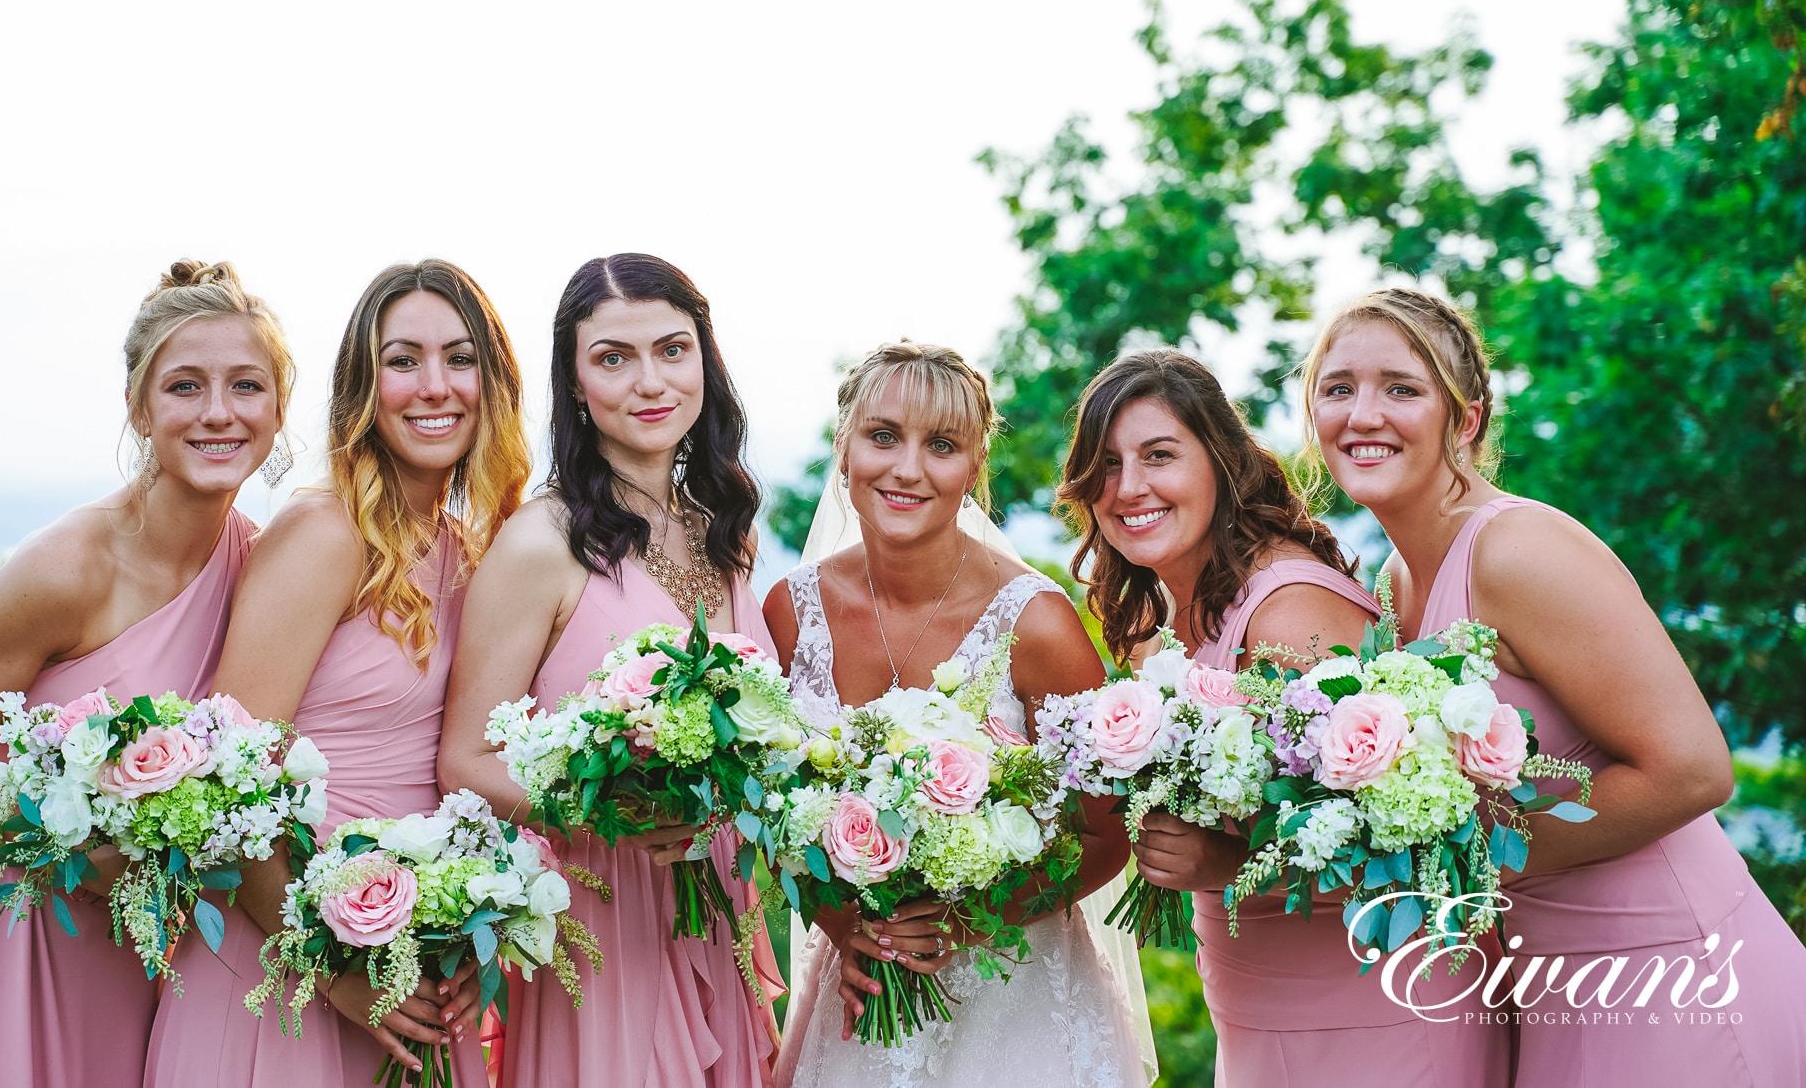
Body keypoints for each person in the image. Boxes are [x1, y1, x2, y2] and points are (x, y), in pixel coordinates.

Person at [1303, 286, 1806, 1087]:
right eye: (1339, 388)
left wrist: (1466, 862)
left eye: (1401, 388)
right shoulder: (1394, 585)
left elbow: (1695, 768)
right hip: (1558, 996)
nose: (1363, 414)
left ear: (1463, 420)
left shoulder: (1518, 551)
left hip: (1678, 981)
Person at [0, 260, 292, 1088]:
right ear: (141, 407)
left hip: (156, 971)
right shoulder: (68, 567)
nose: (218, 412)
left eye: (246, 385)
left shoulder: (266, 569)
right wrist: (76, 851)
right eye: (185, 386)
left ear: (278, 409)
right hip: (20, 955)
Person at [1061, 349, 1507, 1087]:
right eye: (1105, 464)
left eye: (1159, 455)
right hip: (1259, 1000)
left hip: (1376, 1006)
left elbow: (1423, 850)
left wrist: (1230, 864)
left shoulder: (1289, 611)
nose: (1128, 487)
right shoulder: (1156, 616)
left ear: (1221, 462)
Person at [144, 259, 530, 1086]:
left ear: (493, 382)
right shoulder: (326, 532)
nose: (435, 386)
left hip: (418, 965)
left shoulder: (469, 552)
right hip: (288, 975)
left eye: (460, 358)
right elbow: (228, 787)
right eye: (403, 360)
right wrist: (339, 977)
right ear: (364, 386)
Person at [439, 252, 780, 1088]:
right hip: (599, 919)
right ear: (576, 382)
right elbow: (464, 760)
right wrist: (612, 815)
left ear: (706, 359)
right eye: (613, 358)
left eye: (672, 349)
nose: (649, 381)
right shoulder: (539, 543)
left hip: (716, 911)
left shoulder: (722, 532)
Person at [769, 341, 1147, 1088]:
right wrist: (848, 927)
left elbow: (1107, 834)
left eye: (941, 445)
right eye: (883, 436)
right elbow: (774, 814)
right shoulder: (789, 612)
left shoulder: (1035, 624)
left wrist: (967, 920)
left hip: (1015, 1005)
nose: (907, 469)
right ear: (843, 451)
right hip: (861, 993)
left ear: (974, 468)